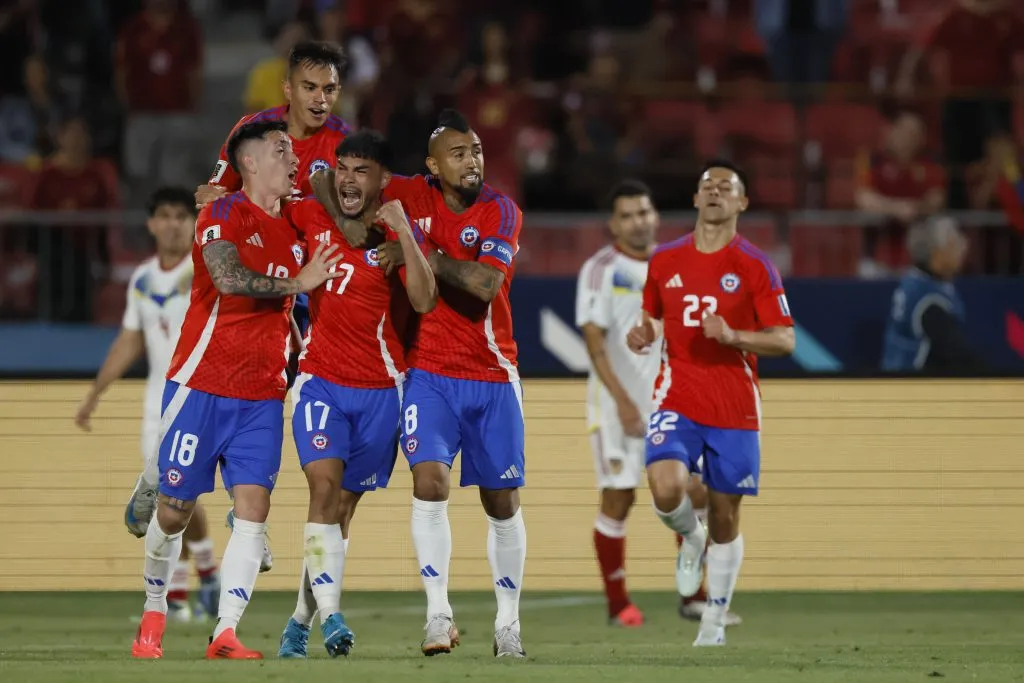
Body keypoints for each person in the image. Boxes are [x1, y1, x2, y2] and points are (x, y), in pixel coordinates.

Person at [130, 120, 344, 660]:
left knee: (254, 509)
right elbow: (227, 278)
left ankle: (225, 631)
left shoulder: (297, 227)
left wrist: (300, 330)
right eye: (280, 151)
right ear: (248, 162)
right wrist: (299, 285)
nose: (293, 159)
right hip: (200, 385)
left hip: (262, 395)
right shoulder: (222, 213)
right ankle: (153, 614)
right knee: (176, 510)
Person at [365, 109, 526, 658]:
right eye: (459, 153)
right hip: (429, 371)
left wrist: (420, 252)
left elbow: (483, 283)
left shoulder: (501, 210)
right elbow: (356, 174)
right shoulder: (413, 194)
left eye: (477, 151)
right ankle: (438, 614)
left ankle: (508, 624)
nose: (473, 161)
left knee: (500, 501)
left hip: (491, 373)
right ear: (433, 166)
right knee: (428, 484)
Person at [276, 130, 437, 659]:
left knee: (341, 511)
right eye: (342, 167)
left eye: (360, 169)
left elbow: (425, 299)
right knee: (323, 493)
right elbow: (283, 192)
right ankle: (333, 618)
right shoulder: (312, 215)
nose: (347, 177)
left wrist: (403, 235)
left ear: (383, 181)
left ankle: (300, 619)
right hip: (320, 381)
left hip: (382, 392)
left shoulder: (394, 239)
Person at [627, 160, 796, 646]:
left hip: (734, 402)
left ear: (742, 203)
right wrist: (644, 332)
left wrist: (735, 336)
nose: (716, 192)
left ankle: (714, 622)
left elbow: (784, 340)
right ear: (696, 199)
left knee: (726, 515)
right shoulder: (665, 260)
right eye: (708, 186)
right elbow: (652, 317)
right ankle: (690, 538)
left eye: (728, 187)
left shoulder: (755, 265)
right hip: (677, 391)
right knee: (664, 486)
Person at [576, 179, 742, 628]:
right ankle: (618, 605)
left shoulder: (675, 265)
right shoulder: (599, 270)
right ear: (613, 224)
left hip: (672, 401)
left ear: (656, 216)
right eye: (628, 215)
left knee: (697, 491)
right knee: (619, 498)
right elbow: (594, 345)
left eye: (644, 212)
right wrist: (625, 403)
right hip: (616, 407)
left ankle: (696, 596)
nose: (638, 221)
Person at [75, 187, 220, 624]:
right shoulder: (142, 278)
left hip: (204, 394)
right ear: (152, 224)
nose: (174, 223)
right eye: (165, 216)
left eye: (181, 215)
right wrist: (95, 393)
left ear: (192, 223)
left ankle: (189, 584)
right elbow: (129, 341)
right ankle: (196, 580)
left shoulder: (208, 268)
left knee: (180, 490)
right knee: (167, 493)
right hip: (157, 404)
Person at [196, 40, 350, 207]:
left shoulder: (347, 143)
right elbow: (216, 192)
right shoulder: (249, 130)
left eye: (329, 90)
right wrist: (210, 196)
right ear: (288, 89)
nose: (320, 99)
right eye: (310, 88)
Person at [881, 215, 980, 372]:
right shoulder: (930, 300)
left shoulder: (914, 279)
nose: (963, 249)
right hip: (913, 384)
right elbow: (957, 352)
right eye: (955, 244)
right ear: (937, 254)